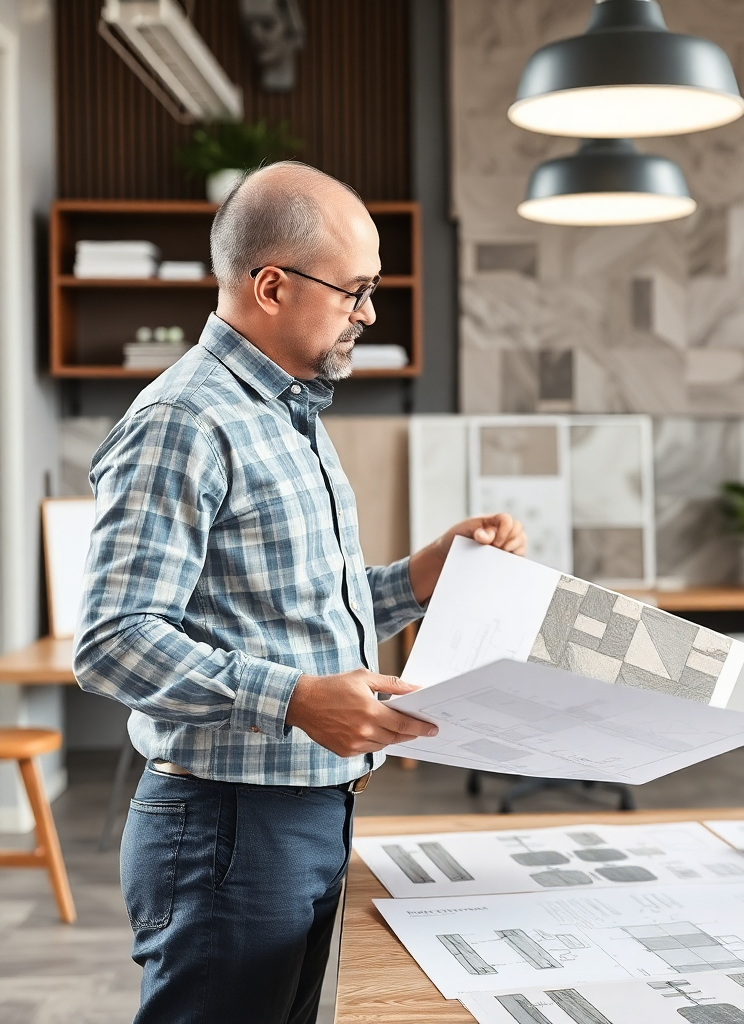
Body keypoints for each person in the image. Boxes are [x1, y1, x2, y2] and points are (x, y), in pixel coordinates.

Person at [73, 161, 526, 1024]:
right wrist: (294, 700)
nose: (369, 312)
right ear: (271, 285)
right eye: (355, 289)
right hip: (228, 830)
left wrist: (415, 579)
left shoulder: (287, 411)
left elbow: (284, 608)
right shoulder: (185, 420)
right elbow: (111, 640)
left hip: (309, 811)